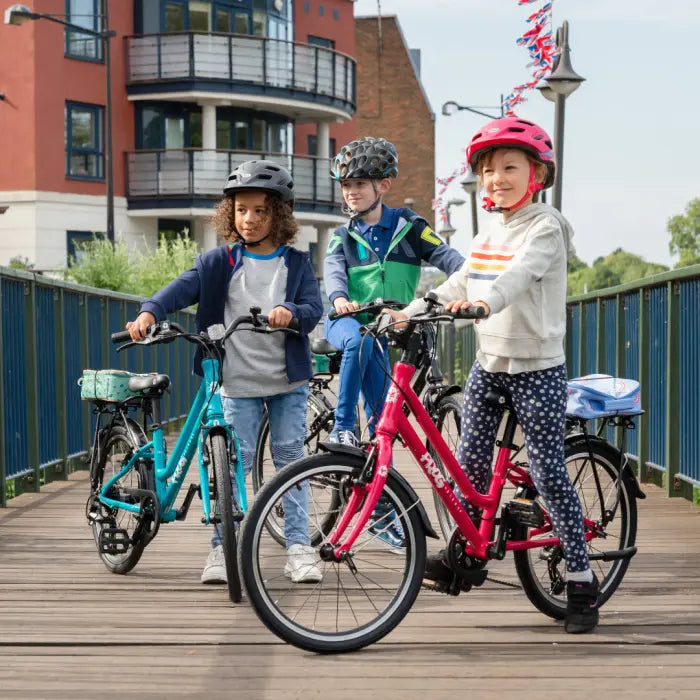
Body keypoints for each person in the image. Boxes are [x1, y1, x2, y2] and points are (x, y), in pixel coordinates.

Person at [383, 117, 600, 633]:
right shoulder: (491, 230)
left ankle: (581, 577)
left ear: (537, 175)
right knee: (470, 469)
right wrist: (414, 308)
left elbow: (516, 276)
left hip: (537, 369)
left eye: (509, 168)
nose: (496, 178)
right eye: (487, 170)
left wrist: (483, 304)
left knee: (548, 472)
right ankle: (468, 556)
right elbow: (461, 276)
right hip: (490, 363)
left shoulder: (545, 226)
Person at [125, 160, 324, 586]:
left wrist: (291, 313)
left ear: (280, 215)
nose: (249, 219)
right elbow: (179, 288)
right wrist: (149, 311)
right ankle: (222, 548)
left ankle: (298, 548)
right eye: (241, 210)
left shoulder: (297, 263)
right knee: (229, 466)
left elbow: (313, 309)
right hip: (235, 382)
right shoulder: (218, 261)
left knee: (291, 461)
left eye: (260, 211)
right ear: (229, 214)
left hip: (286, 381)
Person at [323, 136, 465, 550]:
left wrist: (473, 284)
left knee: (383, 424)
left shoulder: (410, 227)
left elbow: (451, 260)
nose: (350, 192)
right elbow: (333, 273)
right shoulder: (342, 236)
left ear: (383, 185)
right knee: (361, 346)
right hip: (347, 323)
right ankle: (342, 427)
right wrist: (339, 300)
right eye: (346, 185)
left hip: (391, 329)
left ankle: (380, 514)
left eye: (360, 184)